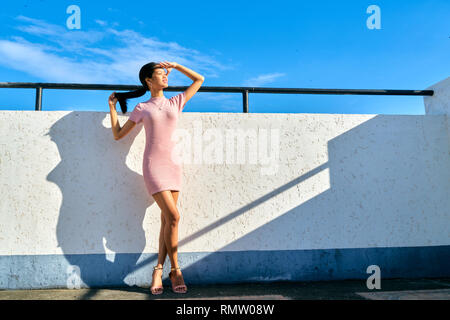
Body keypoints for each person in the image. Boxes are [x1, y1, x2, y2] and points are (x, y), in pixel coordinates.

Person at [108, 61, 204, 294]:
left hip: (173, 165)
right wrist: (112, 107)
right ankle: (176, 269)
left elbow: (199, 80)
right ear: (148, 81)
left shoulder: (175, 101)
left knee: (167, 221)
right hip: (154, 167)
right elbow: (119, 135)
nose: (165, 77)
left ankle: (158, 270)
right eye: (160, 74)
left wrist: (177, 65)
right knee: (174, 216)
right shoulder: (142, 108)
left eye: (165, 74)